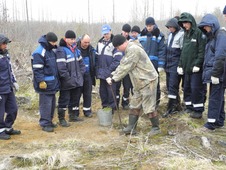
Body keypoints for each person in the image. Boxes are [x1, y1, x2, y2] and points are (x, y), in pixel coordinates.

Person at [106, 34, 160, 136]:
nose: (118, 50)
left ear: (122, 44)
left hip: (148, 81)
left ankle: (156, 128)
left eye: (118, 47)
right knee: (134, 104)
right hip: (139, 82)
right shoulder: (128, 50)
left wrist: (114, 79)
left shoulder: (133, 50)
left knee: (149, 106)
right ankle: (131, 127)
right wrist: (113, 75)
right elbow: (123, 65)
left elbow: (126, 66)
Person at [198, 14, 226, 131]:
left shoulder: (220, 35)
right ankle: (219, 120)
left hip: (219, 73)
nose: (205, 29)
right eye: (203, 27)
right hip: (217, 72)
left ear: (212, 25)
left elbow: (220, 56)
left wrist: (215, 74)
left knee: (214, 97)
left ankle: (211, 124)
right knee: (218, 96)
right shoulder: (213, 37)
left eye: (207, 26)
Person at [177, 12, 206, 119]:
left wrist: (198, 64)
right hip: (186, 68)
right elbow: (183, 51)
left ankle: (198, 110)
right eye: (183, 23)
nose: (184, 25)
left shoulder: (199, 33)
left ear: (191, 22)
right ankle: (189, 107)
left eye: (186, 23)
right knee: (186, 88)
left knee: (196, 89)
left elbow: (202, 51)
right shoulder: (185, 34)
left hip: (196, 69)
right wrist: (180, 65)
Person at [56, 30, 86, 127]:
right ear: (65, 39)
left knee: (75, 99)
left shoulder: (76, 50)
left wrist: (80, 75)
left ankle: (73, 115)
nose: (73, 41)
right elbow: (61, 68)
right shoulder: (61, 50)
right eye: (70, 39)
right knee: (64, 100)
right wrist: (68, 78)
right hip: (67, 82)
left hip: (77, 80)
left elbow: (81, 64)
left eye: (74, 39)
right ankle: (61, 119)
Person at [32, 32, 60, 132]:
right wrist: (41, 81)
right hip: (45, 84)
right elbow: (37, 69)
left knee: (52, 104)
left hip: (52, 83)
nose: (54, 44)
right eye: (53, 42)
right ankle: (44, 123)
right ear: (48, 41)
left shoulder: (50, 50)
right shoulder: (39, 52)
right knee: (45, 104)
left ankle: (49, 121)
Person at [139, 17, 166, 109]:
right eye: (147, 26)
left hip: (154, 64)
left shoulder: (159, 35)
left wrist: (161, 65)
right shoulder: (141, 35)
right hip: (143, 65)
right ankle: (145, 102)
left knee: (155, 84)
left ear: (153, 25)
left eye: (150, 26)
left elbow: (162, 51)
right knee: (144, 84)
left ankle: (156, 102)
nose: (149, 28)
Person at [96, 24, 123, 111]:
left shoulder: (114, 44)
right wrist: (98, 70)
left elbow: (117, 60)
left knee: (111, 91)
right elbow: (97, 58)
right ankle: (105, 107)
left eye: (107, 33)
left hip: (111, 73)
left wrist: (109, 70)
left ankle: (112, 108)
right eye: (104, 34)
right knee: (102, 92)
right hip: (101, 73)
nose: (106, 35)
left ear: (110, 32)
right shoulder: (99, 43)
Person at [0, 34, 21, 140]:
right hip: (0, 90)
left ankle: (8, 127)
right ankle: (1, 131)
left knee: (13, 109)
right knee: (0, 111)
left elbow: (10, 70)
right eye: (4, 44)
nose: (5, 46)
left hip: (8, 87)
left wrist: (14, 81)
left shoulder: (6, 55)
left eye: (6, 44)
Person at [162, 18, 184, 118]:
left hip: (175, 65)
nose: (170, 28)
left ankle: (170, 108)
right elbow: (166, 51)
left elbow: (182, 52)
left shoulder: (181, 35)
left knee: (173, 87)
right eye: (169, 27)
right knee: (168, 86)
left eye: (171, 27)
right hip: (168, 65)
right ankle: (177, 104)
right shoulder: (170, 35)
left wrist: (180, 65)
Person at [76, 34, 96, 117]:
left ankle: (87, 111)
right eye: (85, 42)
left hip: (88, 75)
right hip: (78, 75)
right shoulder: (75, 49)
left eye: (88, 42)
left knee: (87, 94)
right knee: (76, 94)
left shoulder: (91, 50)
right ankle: (75, 112)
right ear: (81, 40)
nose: (86, 44)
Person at [115, 23, 133, 110]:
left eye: (128, 32)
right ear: (122, 31)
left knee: (127, 86)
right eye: (125, 31)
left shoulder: (131, 41)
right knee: (117, 86)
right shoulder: (117, 39)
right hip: (118, 66)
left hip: (127, 68)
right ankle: (116, 103)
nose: (126, 33)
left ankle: (125, 102)